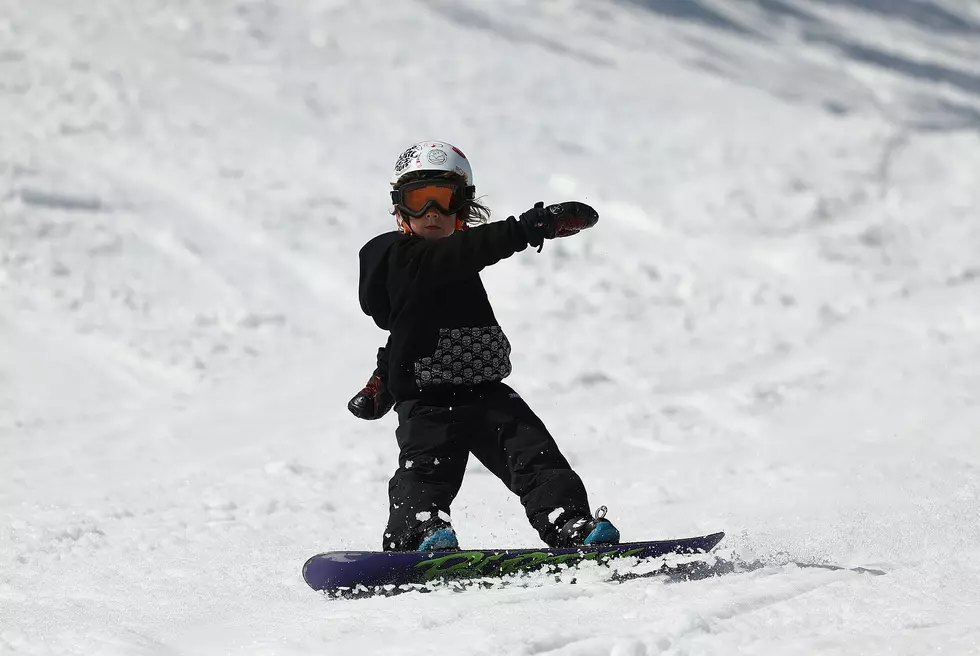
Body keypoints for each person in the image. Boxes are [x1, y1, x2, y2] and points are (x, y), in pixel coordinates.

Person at [348, 140, 620, 552]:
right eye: (419, 200)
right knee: (428, 469)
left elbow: (411, 326)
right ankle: (418, 533)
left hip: (485, 390)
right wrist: (531, 226)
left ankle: (569, 523)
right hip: (427, 400)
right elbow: (464, 253)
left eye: (444, 200)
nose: (432, 214)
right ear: (400, 208)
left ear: (463, 206)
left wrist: (382, 375)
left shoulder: (455, 260)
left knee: (536, 456)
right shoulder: (398, 255)